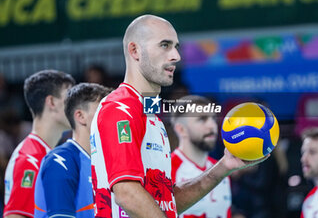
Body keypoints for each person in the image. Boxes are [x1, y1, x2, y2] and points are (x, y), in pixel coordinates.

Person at [90, 14, 266, 218]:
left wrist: (223, 167)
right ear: (135, 50)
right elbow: (127, 193)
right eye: (164, 45)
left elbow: (166, 204)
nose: (176, 56)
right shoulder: (120, 108)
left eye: (176, 46)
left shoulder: (149, 114)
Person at [3, 70, 75, 218]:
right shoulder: (30, 158)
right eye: (69, 98)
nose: (75, 106)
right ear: (52, 102)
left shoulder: (45, 153)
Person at [34, 83, 112, 218]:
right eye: (104, 109)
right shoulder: (60, 160)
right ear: (80, 116)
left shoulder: (106, 161)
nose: (113, 116)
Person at [171, 95, 232, 218]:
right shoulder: (165, 169)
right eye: (202, 119)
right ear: (181, 129)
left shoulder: (223, 167)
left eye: (213, 118)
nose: (212, 125)